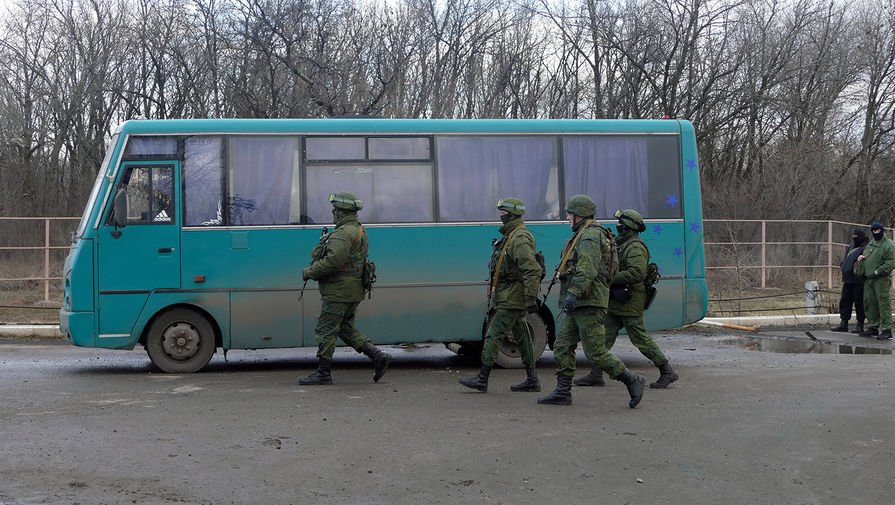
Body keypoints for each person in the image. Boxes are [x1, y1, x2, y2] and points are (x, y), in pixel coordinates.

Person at [537, 195, 645, 407]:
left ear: (579, 215)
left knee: (595, 352)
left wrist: (573, 293)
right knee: (561, 346)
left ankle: (632, 380)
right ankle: (563, 391)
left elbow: (587, 269)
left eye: (570, 213)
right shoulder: (582, 234)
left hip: (589, 302)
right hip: (579, 302)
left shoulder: (589, 236)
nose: (567, 217)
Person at [573, 209, 678, 389]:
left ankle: (667, 371)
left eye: (621, 223)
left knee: (640, 338)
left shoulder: (635, 246)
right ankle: (596, 374)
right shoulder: (624, 243)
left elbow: (637, 273)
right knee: (604, 335)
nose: (618, 226)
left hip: (631, 300)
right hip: (619, 299)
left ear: (629, 226)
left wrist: (609, 277)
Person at [299, 192, 390, 384]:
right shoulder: (357, 229)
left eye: (336, 210)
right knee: (344, 328)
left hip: (339, 292)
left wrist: (310, 272)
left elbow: (333, 262)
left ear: (341, 212)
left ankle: (323, 374)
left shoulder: (343, 233)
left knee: (325, 330)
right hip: (352, 289)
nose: (333, 213)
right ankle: (377, 356)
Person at [459, 198, 542, 393]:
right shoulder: (511, 235)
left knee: (493, 335)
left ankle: (482, 378)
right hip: (509, 296)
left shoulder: (520, 238)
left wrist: (530, 298)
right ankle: (532, 379)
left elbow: (532, 269)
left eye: (503, 212)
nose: (501, 216)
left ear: (512, 214)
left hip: (512, 298)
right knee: (522, 337)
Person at [855, 222, 895, 341]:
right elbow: (867, 255)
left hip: (881, 279)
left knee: (883, 304)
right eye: (874, 231)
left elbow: (890, 262)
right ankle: (873, 326)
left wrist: (878, 271)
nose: (876, 233)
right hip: (868, 279)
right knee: (870, 303)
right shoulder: (871, 243)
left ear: (882, 231)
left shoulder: (889, 245)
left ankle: (886, 330)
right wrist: (862, 259)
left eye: (878, 231)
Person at [830, 229, 869, 333]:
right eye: (853, 235)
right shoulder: (851, 247)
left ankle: (860, 324)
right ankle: (844, 322)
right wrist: (843, 266)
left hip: (858, 280)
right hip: (847, 279)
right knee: (845, 301)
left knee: (859, 302)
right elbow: (846, 259)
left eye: (856, 236)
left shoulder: (866, 248)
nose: (854, 237)